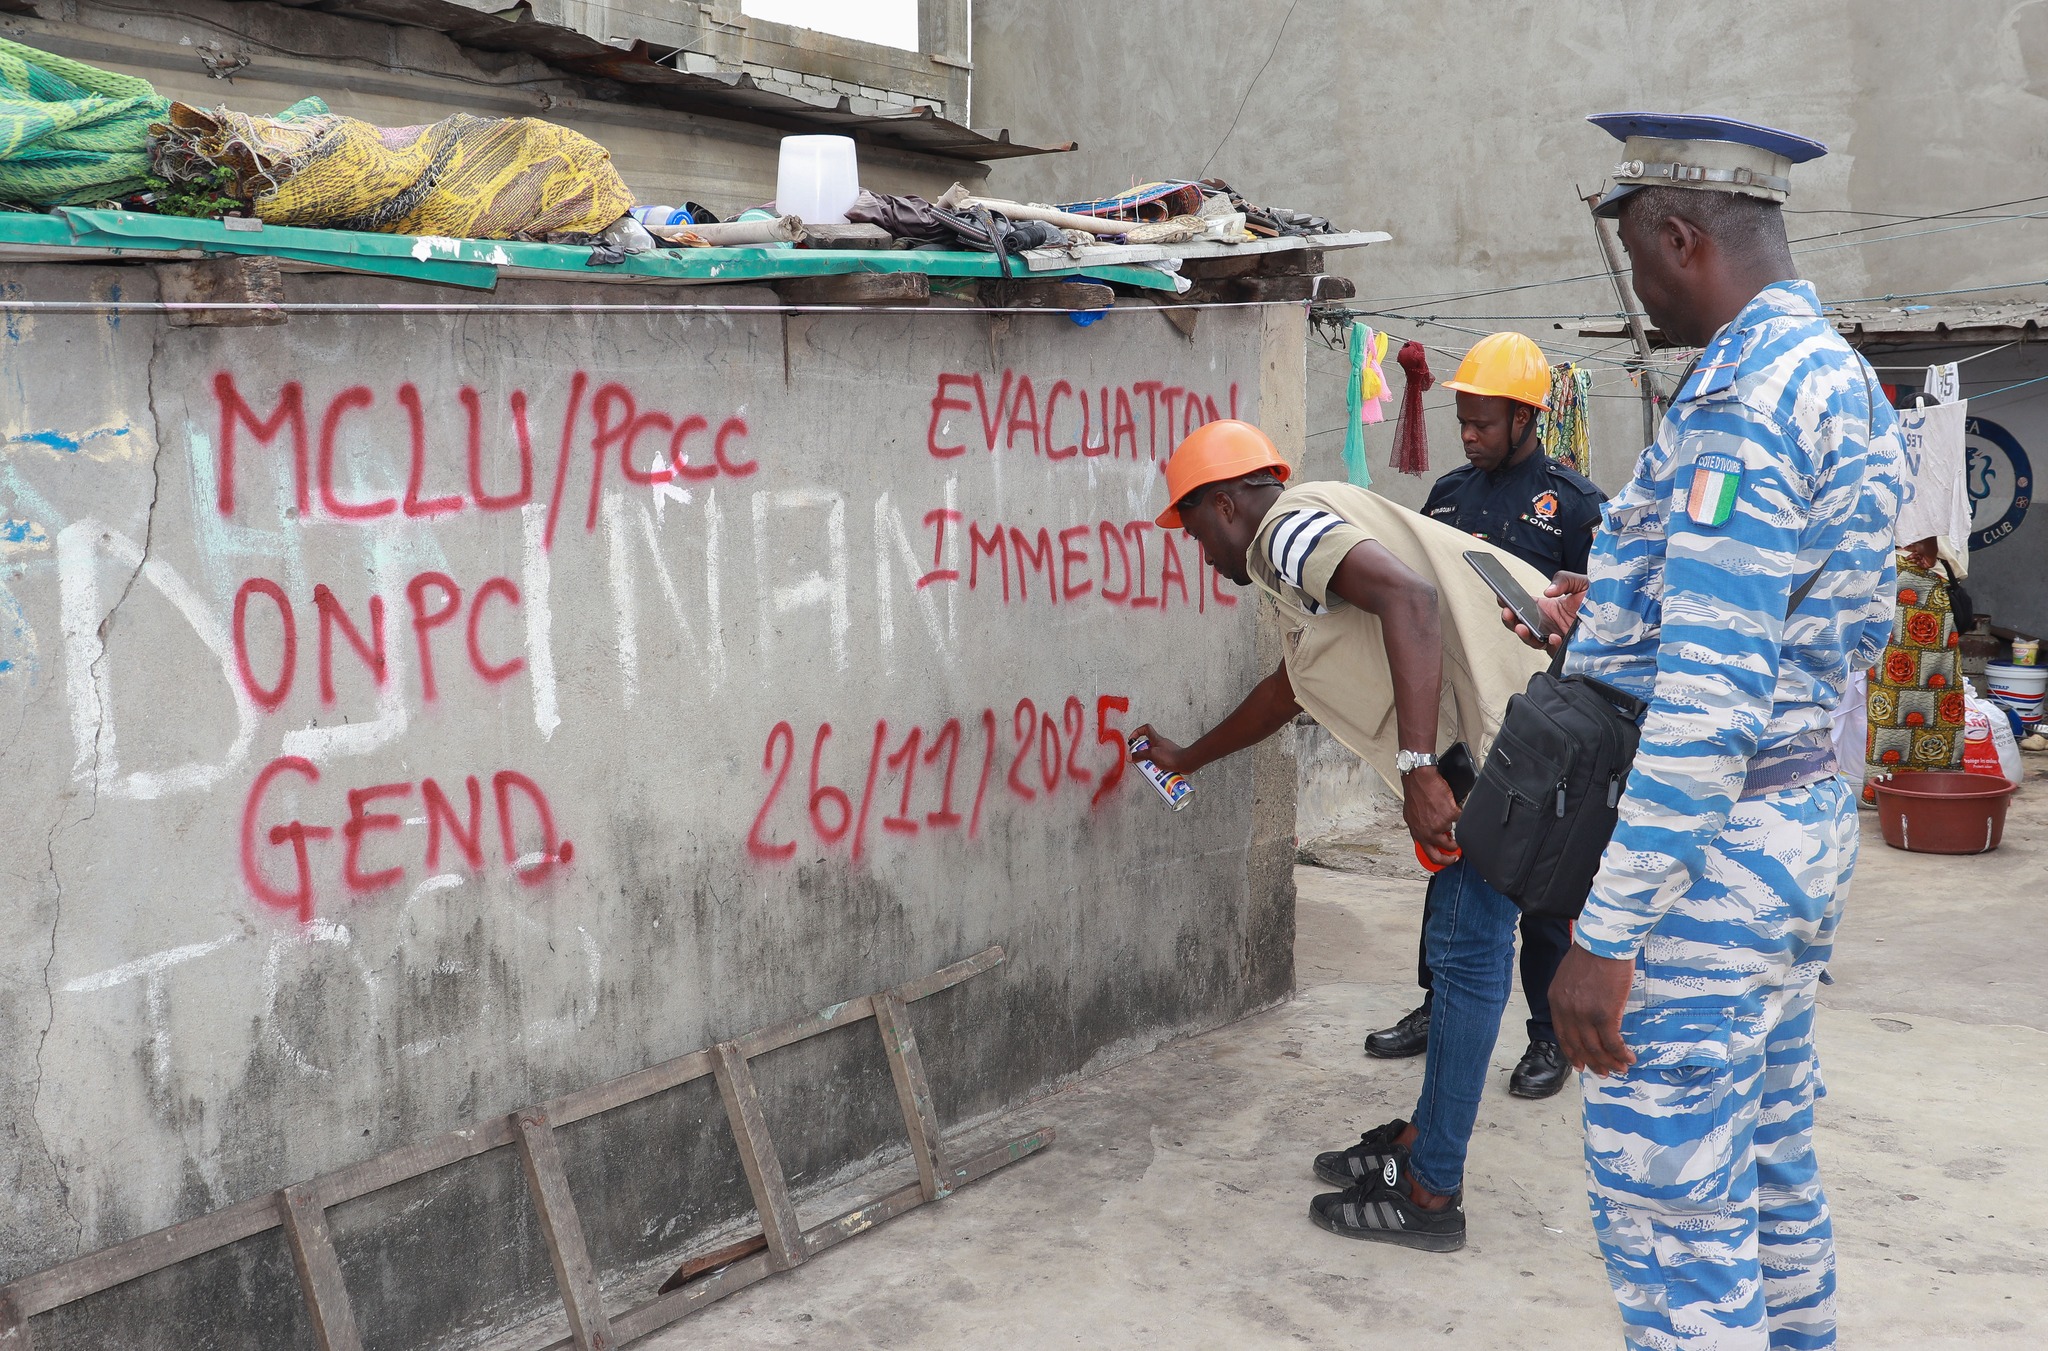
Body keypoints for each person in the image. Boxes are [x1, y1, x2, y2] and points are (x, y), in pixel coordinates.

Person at [1509, 114, 1899, 1349]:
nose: (1638, 291)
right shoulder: (1837, 377)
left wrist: (1605, 935)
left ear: (1682, 237)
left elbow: (1709, 700)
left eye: (1638, 261)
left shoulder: (1738, 400)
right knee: (1768, 1167)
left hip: (1706, 865)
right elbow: (1832, 621)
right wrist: (1619, 605)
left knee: (1675, 1222)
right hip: (1795, 828)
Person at [1130, 418, 1551, 1252]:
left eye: (1193, 530)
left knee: (1468, 954)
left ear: (1225, 505)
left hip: (1516, 743)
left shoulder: (1285, 531)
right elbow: (1291, 687)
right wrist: (1188, 756)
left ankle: (1431, 1190)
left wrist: (1418, 768)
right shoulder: (1306, 546)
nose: (1199, 553)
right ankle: (1424, 1142)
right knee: (1459, 945)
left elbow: (1411, 599)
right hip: (1516, 737)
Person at [1364, 331, 1606, 1103]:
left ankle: (1548, 1033)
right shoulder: (1447, 496)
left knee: (1541, 889)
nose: (1469, 435)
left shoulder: (1576, 506)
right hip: (1462, 727)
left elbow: (1607, 621)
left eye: (1483, 423)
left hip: (1543, 732)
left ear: (1525, 418)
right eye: (1462, 421)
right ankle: (1440, 1004)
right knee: (1449, 864)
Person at [1863, 534, 1965, 802]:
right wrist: (1927, 545)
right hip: (1918, 577)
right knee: (1924, 696)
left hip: (1909, 578)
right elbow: (1928, 521)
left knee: (1894, 694)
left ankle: (1887, 792)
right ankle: (1935, 789)